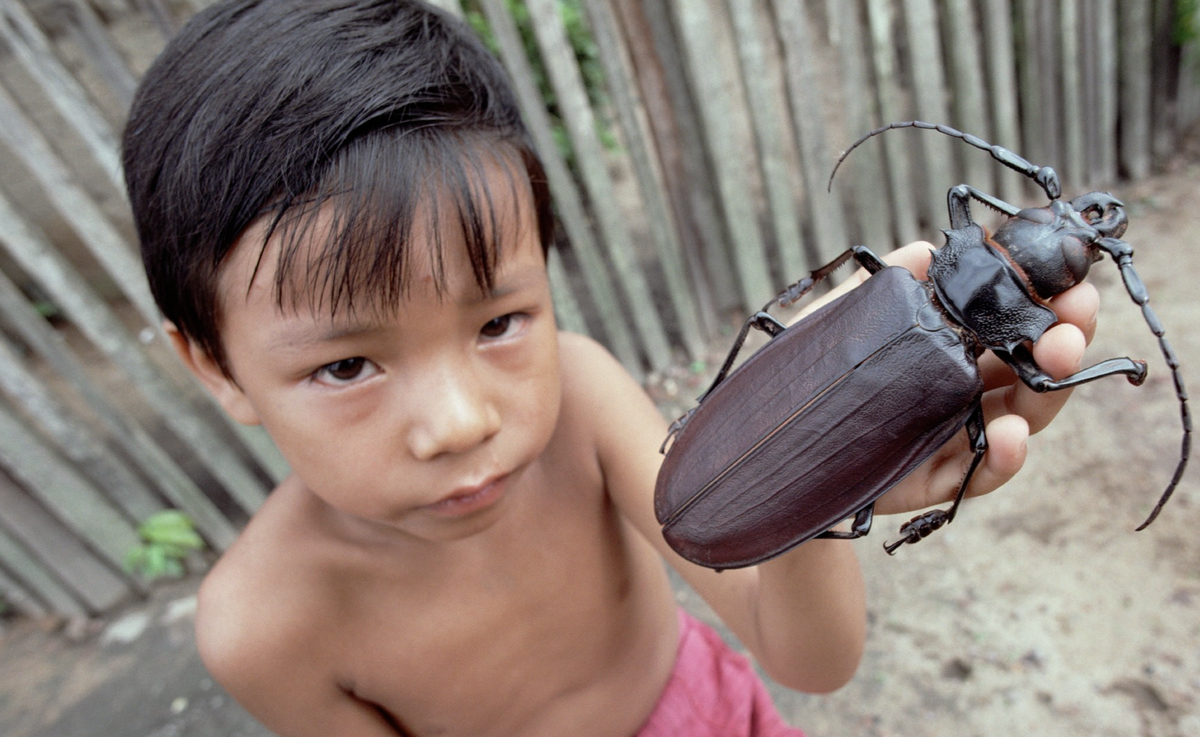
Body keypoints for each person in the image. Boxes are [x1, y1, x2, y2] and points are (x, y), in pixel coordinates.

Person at [121, 1, 1099, 735]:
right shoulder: (260, 627)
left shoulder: (581, 398)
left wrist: (821, 452)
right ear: (215, 366)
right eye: (345, 365)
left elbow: (812, 656)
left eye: (499, 319)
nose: (462, 419)